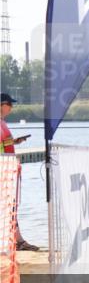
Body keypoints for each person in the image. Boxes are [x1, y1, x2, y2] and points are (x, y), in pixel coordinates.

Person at [1, 93, 38, 251]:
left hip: (6, 170)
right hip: (3, 170)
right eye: (10, 104)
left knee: (11, 207)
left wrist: (14, 141)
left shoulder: (2, 122)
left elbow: (3, 143)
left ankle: (17, 240)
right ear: (2, 104)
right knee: (10, 207)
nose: (12, 107)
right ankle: (18, 241)